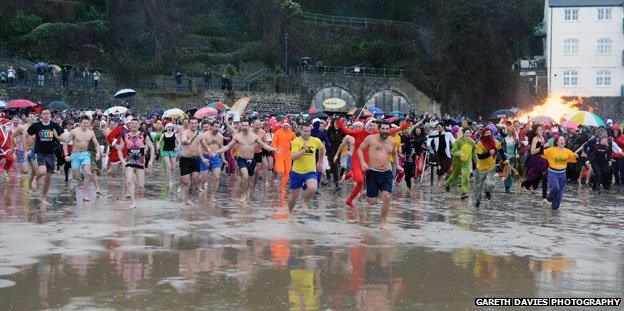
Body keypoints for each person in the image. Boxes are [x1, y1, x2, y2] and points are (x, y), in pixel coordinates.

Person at [336, 118, 410, 209]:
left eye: (373, 125)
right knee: (359, 180)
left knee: (362, 183)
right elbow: (346, 131)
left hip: (368, 160)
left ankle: (349, 200)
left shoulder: (375, 134)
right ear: (366, 126)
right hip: (356, 159)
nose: (371, 127)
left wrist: (402, 127)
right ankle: (351, 175)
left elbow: (389, 132)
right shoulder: (358, 133)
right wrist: (340, 125)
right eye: (370, 125)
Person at [212, 120, 277, 203]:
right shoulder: (237, 137)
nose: (244, 127)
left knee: (250, 179)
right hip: (241, 159)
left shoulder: (254, 137)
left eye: (246, 125)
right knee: (245, 177)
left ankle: (247, 194)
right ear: (241, 126)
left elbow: (264, 145)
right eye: (243, 125)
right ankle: (243, 194)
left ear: (249, 126)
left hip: (251, 160)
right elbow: (228, 146)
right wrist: (217, 151)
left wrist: (274, 149)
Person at [357, 122, 402, 229]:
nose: (385, 131)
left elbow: (395, 154)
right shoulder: (370, 138)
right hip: (372, 172)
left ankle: (382, 224)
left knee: (386, 197)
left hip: (386, 173)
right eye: (383, 129)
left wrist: (398, 165)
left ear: (389, 130)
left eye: (387, 129)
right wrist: (363, 163)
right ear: (379, 129)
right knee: (371, 201)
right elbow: (360, 149)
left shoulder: (392, 141)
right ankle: (365, 192)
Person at [27, 109, 65, 206]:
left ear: (50, 115)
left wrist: (56, 136)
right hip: (40, 152)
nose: (46, 115)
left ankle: (43, 198)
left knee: (48, 179)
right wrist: (26, 148)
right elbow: (27, 134)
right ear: (41, 115)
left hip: (51, 154)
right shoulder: (36, 125)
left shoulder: (55, 125)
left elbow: (64, 138)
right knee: (42, 170)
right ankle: (35, 179)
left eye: (48, 114)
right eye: (44, 114)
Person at [287, 123, 325, 213]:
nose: (307, 133)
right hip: (297, 172)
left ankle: (304, 202)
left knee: (313, 188)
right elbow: (293, 157)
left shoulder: (315, 140)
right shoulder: (296, 141)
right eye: (305, 131)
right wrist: (302, 152)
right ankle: (290, 213)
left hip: (310, 171)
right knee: (293, 196)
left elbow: (322, 149)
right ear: (301, 131)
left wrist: (320, 162)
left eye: (309, 131)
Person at [117, 119, 155, 208]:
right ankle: (133, 202)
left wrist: (151, 160)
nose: (134, 125)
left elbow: (152, 147)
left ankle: (134, 192)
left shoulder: (144, 135)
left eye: (136, 123)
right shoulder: (125, 135)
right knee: (129, 180)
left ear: (139, 125)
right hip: (129, 161)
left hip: (140, 162)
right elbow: (119, 150)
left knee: (141, 185)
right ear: (129, 125)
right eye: (132, 123)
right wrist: (122, 161)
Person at [62, 116, 101, 201]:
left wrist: (98, 153)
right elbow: (65, 142)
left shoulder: (90, 133)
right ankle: (77, 174)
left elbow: (96, 144)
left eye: (87, 123)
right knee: (77, 178)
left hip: (85, 154)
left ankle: (85, 195)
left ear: (89, 124)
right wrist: (66, 155)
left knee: (88, 173)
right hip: (75, 155)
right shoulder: (74, 131)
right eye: (84, 123)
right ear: (80, 123)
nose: (85, 124)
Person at [543, 136, 578, 210]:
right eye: (560, 140)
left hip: (562, 173)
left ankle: (554, 211)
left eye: (564, 140)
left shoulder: (568, 151)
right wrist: (543, 146)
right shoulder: (551, 150)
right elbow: (540, 153)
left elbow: (573, 158)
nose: (563, 141)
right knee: (555, 187)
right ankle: (549, 198)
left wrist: (576, 156)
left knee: (559, 193)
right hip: (552, 172)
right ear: (557, 142)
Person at [473, 128, 502, 208]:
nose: (489, 135)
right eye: (486, 133)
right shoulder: (479, 143)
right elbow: (480, 156)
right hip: (480, 168)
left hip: (491, 167)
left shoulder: (496, 142)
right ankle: (478, 201)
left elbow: (501, 151)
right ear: (483, 134)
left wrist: (504, 159)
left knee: (491, 183)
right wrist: (488, 152)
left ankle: (487, 191)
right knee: (478, 187)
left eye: (490, 133)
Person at [198, 120, 226, 201]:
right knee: (204, 177)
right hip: (205, 156)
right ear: (211, 126)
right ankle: (200, 184)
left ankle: (212, 196)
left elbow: (221, 148)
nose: (217, 128)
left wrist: (223, 159)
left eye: (219, 127)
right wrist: (202, 158)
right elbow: (199, 148)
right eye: (216, 126)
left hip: (215, 157)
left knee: (216, 177)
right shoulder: (204, 135)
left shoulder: (220, 136)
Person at [444, 128, 476, 199]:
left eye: (469, 133)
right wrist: (460, 153)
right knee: (455, 175)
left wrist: (477, 162)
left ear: (471, 134)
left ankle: (465, 192)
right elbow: (453, 151)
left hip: (466, 162)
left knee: (466, 176)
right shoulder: (458, 141)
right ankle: (447, 183)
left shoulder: (472, 142)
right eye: (466, 133)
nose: (468, 135)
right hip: (457, 161)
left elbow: (474, 153)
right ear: (463, 133)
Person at [178, 118, 202, 205]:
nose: (194, 125)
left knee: (195, 180)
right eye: (192, 123)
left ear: (197, 124)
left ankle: (190, 198)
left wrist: (209, 150)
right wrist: (186, 141)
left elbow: (204, 144)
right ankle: (181, 185)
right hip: (185, 159)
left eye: (195, 123)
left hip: (195, 159)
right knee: (186, 181)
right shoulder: (185, 132)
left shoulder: (200, 134)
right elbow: (183, 140)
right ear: (189, 124)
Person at [272, 121, 296, 193]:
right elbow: (274, 142)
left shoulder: (292, 133)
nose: (285, 126)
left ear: (289, 125)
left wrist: (294, 148)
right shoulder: (278, 132)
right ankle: (279, 186)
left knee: (287, 172)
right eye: (284, 125)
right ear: (282, 125)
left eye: (287, 125)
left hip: (288, 154)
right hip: (279, 154)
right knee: (280, 171)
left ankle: (283, 188)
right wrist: (276, 149)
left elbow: (296, 142)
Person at [13, 113, 37, 183]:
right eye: (30, 116)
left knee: (35, 171)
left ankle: (29, 185)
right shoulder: (22, 127)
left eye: (34, 117)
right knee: (25, 171)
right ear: (27, 119)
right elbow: (12, 136)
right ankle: (25, 188)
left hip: (33, 150)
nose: (32, 118)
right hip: (23, 150)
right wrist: (12, 146)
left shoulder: (37, 128)